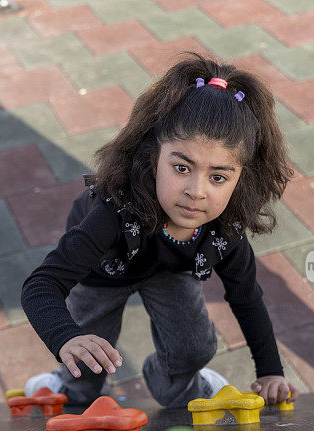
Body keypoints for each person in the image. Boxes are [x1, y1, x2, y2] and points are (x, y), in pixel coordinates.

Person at [20, 51, 299, 408]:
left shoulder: (224, 230)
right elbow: (40, 284)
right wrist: (65, 337)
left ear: (241, 179)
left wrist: (270, 370)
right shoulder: (112, 214)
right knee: (87, 360)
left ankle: (177, 385)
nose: (196, 191)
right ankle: (72, 389)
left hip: (168, 269)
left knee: (195, 347)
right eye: (182, 168)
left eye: (218, 177)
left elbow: (247, 298)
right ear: (154, 158)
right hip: (103, 268)